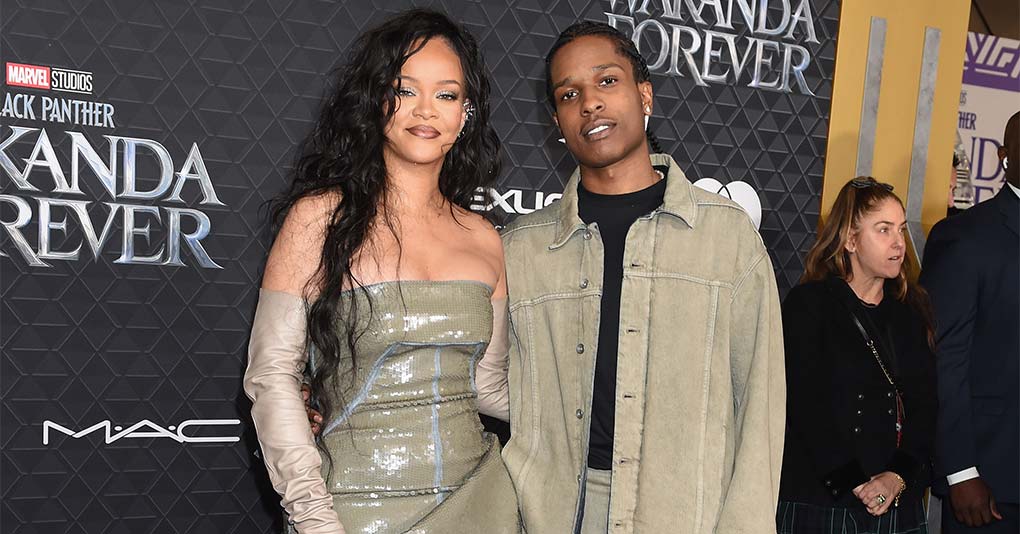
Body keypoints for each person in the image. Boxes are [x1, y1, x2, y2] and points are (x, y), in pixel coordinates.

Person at [497, 21, 785, 533]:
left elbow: (760, 408)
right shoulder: (522, 248)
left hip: (682, 512)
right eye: (570, 94)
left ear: (644, 94)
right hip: (551, 513)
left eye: (607, 81)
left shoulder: (726, 238)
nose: (590, 103)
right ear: (557, 121)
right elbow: (478, 379)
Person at [243, 9, 519, 534]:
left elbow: (487, 386)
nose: (425, 110)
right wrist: (313, 518)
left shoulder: (485, 238)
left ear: (466, 113)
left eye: (446, 94)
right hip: (350, 509)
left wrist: (596, 408)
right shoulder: (320, 219)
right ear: (375, 101)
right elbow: (272, 376)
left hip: (481, 505)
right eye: (405, 89)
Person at [777, 177, 937, 534]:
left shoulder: (910, 312)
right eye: (883, 230)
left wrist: (896, 478)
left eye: (901, 229)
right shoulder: (810, 306)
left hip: (896, 505)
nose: (899, 243)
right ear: (850, 239)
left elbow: (926, 408)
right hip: (820, 504)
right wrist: (855, 483)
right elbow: (803, 405)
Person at [921, 111, 1019, 533]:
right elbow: (945, 359)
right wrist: (960, 471)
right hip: (991, 482)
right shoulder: (965, 237)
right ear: (1004, 156)